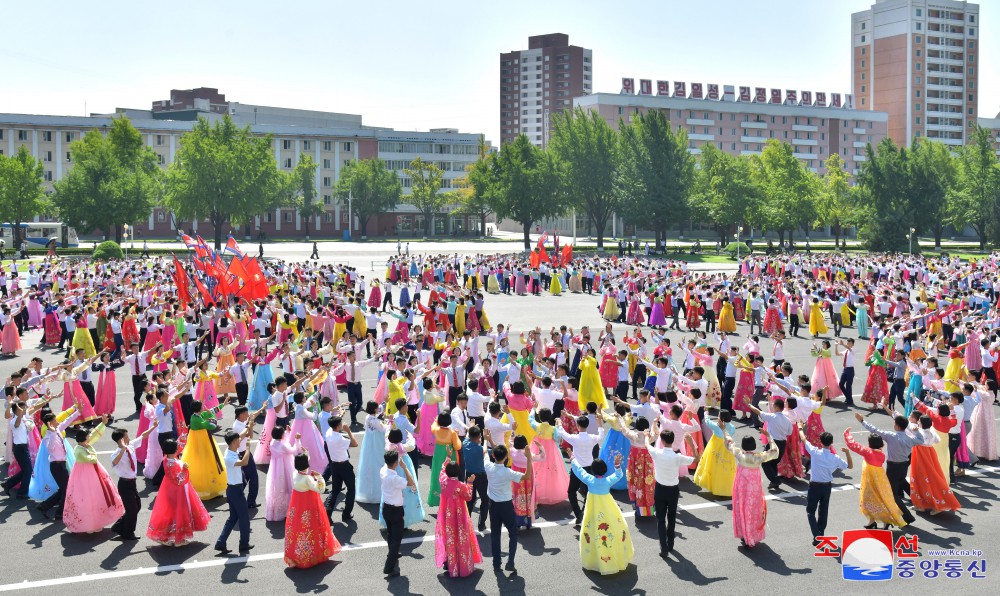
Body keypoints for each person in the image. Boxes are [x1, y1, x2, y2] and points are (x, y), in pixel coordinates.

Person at [570, 453, 634, 574]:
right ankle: (615, 556)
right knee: (613, 528)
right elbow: (618, 474)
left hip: (593, 509)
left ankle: (595, 560)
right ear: (605, 470)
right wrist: (616, 464)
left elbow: (579, 471)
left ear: (592, 471)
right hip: (608, 508)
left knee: (593, 530)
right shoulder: (607, 481)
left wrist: (573, 457)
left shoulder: (590, 480)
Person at [857, 410, 921, 525]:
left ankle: (908, 517)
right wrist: (917, 432)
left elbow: (875, 430)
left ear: (897, 426)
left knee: (892, 494)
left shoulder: (891, 436)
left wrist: (862, 421)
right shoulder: (909, 438)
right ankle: (919, 501)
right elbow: (920, 440)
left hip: (893, 467)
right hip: (904, 465)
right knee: (902, 482)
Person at [63, 417, 126, 533]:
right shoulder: (78, 450)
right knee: (86, 497)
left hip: (93, 472)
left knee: (97, 496)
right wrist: (94, 454)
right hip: (83, 476)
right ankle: (88, 524)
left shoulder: (85, 444)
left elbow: (95, 434)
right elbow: (91, 459)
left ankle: (97, 522)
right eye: (87, 436)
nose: (89, 437)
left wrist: (103, 424)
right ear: (83, 438)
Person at [147, 438, 211, 546]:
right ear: (174, 450)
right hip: (177, 492)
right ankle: (177, 539)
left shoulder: (167, 459)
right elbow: (179, 480)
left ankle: (169, 537)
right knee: (178, 513)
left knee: (172, 513)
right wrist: (185, 469)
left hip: (171, 489)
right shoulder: (171, 464)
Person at [646, 422, 696, 557]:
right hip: (673, 491)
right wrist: (691, 444)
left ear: (661, 441)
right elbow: (696, 459)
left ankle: (663, 548)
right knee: (672, 517)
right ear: (673, 441)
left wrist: (647, 435)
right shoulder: (677, 457)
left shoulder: (657, 453)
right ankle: (671, 544)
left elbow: (647, 445)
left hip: (660, 489)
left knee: (660, 519)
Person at [842, 428, 907, 529]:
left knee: (868, 499)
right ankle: (885, 520)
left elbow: (853, 445)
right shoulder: (881, 454)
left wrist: (846, 434)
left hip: (870, 480)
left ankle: (873, 521)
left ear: (870, 444)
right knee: (882, 498)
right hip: (881, 479)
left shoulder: (868, 452)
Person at [724, 429, 778, 548]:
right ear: (754, 445)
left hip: (741, 488)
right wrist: (769, 436)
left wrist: (724, 429)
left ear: (743, 445)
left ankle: (744, 533)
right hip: (754, 490)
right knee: (753, 511)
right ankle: (751, 535)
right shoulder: (758, 457)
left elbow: (729, 443)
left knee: (741, 509)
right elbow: (775, 452)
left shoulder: (740, 454)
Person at [285, 453, 341, 568]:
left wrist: (306, 455)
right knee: (313, 529)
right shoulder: (308, 479)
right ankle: (313, 555)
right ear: (307, 464)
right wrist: (320, 477)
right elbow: (320, 489)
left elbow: (302, 469)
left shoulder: (294, 474)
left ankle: (298, 556)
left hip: (297, 508)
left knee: (299, 531)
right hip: (309, 508)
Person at [484, 443, 532, 574]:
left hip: (493, 505)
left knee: (495, 534)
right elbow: (527, 476)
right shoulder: (508, 472)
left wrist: (485, 440)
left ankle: (496, 563)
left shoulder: (488, 466)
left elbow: (484, 453)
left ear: (493, 455)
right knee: (513, 534)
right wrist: (528, 458)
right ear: (506, 457)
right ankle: (510, 562)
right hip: (506, 506)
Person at [435, 458, 483, 578]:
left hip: (447, 516)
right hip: (460, 517)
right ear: (458, 472)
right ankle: (462, 567)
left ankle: (450, 564)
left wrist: (446, 460)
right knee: (461, 539)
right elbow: (468, 497)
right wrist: (470, 483)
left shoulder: (444, 481)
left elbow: (441, 472)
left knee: (450, 538)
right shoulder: (459, 485)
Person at [801, 430, 852, 542]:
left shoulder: (815, 452)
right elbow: (850, 466)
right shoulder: (835, 458)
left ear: (820, 442)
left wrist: (800, 428)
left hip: (814, 487)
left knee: (810, 511)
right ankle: (821, 533)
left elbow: (804, 440)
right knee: (823, 511)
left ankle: (816, 535)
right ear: (832, 442)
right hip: (827, 487)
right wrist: (847, 453)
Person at [110, 423, 157, 540]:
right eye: (126, 436)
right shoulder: (116, 454)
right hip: (124, 484)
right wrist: (122, 449)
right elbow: (115, 462)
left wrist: (153, 426)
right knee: (132, 509)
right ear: (121, 439)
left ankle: (119, 525)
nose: (128, 438)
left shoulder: (131, 445)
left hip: (132, 483)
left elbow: (143, 436)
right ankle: (128, 533)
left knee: (137, 506)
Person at [215, 427, 256, 555]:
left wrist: (249, 426)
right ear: (233, 441)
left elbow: (242, 435)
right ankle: (243, 544)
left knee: (233, 518)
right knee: (244, 518)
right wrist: (248, 448)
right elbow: (244, 462)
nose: (240, 440)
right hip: (236, 491)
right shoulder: (229, 457)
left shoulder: (232, 449)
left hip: (233, 489)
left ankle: (221, 542)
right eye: (238, 439)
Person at [381, 448, 416, 579]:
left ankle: (392, 554)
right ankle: (389, 566)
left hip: (386, 508)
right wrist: (405, 468)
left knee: (391, 534)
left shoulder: (383, 471)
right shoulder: (395, 478)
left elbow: (388, 462)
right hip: (396, 510)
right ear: (396, 462)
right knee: (397, 538)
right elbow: (411, 483)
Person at [324, 415, 357, 523]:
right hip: (344, 466)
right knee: (351, 489)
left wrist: (340, 414)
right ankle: (346, 514)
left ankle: (327, 515)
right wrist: (348, 431)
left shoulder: (329, 432)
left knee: (335, 491)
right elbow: (355, 443)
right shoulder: (340, 438)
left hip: (334, 465)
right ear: (338, 425)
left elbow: (333, 423)